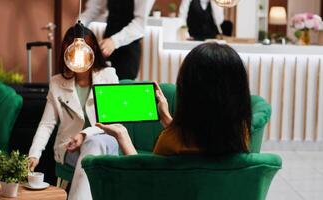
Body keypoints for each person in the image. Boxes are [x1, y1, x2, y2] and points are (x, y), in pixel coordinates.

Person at [96, 43, 252, 156]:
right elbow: (197, 142)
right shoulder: (240, 135)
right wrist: (166, 119)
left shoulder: (169, 142)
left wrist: (122, 135)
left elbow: (146, 180)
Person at [28, 26, 119, 200]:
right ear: (66, 53)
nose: (79, 57)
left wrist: (85, 135)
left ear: (92, 52)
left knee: (93, 144)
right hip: (70, 148)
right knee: (89, 152)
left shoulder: (108, 76)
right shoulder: (57, 83)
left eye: (84, 52)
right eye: (74, 52)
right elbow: (46, 124)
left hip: (105, 142)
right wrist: (34, 154)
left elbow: (110, 122)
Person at [80, 0, 155, 80]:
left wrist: (114, 41)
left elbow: (140, 24)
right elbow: (93, 9)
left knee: (122, 89)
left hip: (128, 49)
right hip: (106, 45)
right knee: (102, 83)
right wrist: (78, 27)